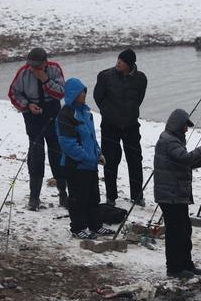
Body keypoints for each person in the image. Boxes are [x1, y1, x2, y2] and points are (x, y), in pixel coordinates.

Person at [154, 109, 201, 279]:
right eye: (185, 127)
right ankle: (174, 268)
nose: (186, 130)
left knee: (185, 230)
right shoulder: (169, 141)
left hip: (177, 194)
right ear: (178, 125)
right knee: (175, 232)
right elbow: (185, 159)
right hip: (170, 195)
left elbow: (182, 164)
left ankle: (186, 264)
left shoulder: (174, 140)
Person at [8, 47, 67, 211]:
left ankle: (63, 193)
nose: (33, 69)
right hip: (32, 117)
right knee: (36, 154)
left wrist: (45, 80)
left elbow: (61, 93)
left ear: (45, 62)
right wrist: (27, 105)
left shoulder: (55, 69)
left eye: (37, 66)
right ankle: (34, 197)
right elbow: (13, 94)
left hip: (52, 114)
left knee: (57, 153)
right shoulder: (23, 72)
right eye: (31, 65)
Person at [57, 77, 115, 239]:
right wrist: (87, 158)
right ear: (73, 94)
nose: (84, 94)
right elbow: (68, 144)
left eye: (84, 91)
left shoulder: (86, 112)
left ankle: (95, 226)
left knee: (93, 197)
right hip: (75, 166)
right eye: (81, 92)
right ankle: (78, 228)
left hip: (90, 164)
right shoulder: (66, 114)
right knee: (77, 198)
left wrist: (98, 153)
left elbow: (91, 137)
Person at [93, 48, 147, 207]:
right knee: (110, 160)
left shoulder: (141, 78)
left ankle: (137, 196)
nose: (118, 63)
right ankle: (111, 196)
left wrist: (129, 113)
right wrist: (108, 112)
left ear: (130, 64)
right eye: (118, 60)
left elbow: (139, 98)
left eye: (122, 61)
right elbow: (98, 97)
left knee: (135, 160)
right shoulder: (104, 76)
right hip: (110, 125)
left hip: (131, 125)